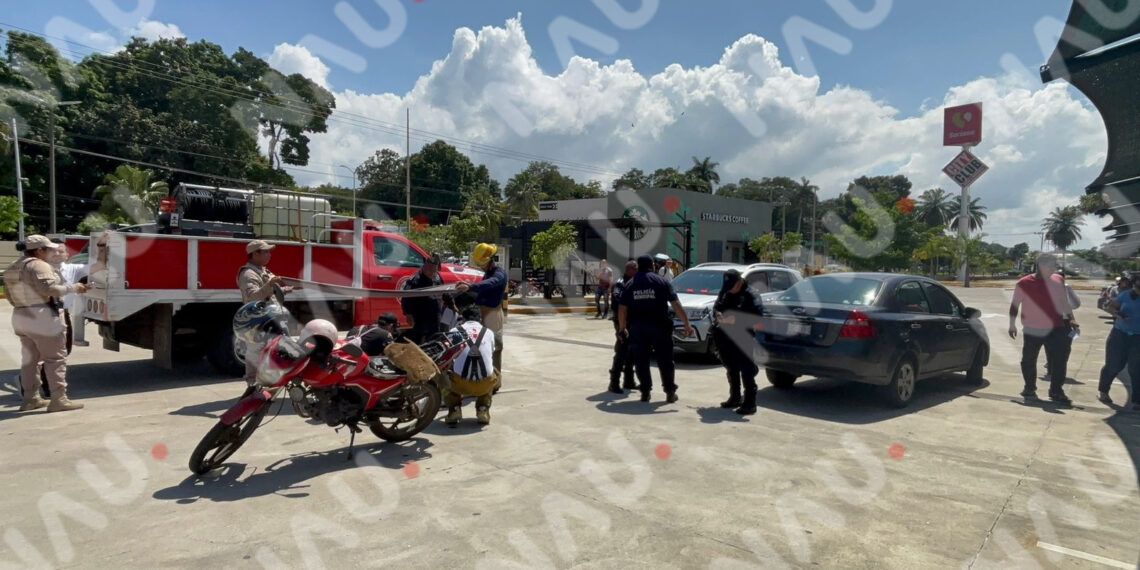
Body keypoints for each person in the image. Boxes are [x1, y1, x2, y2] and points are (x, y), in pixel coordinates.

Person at [4, 235, 88, 412]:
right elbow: (49, 289)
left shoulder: (14, 266)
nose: (52, 252)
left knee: (30, 361)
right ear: (39, 250)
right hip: (42, 315)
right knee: (55, 358)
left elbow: (10, 296)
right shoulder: (38, 264)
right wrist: (75, 288)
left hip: (20, 315)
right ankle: (59, 399)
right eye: (49, 249)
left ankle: (30, 398)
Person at [618, 255, 693, 403]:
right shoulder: (661, 281)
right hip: (660, 327)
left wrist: (622, 328)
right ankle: (670, 391)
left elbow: (622, 309)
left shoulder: (631, 284)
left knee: (641, 360)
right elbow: (675, 304)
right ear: (653, 265)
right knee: (665, 360)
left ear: (638, 267)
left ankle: (645, 392)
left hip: (638, 329)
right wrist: (686, 323)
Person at [1009, 254, 1078, 403]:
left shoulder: (1058, 279)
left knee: (1060, 360)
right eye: (1050, 266)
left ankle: (1056, 391)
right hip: (1033, 328)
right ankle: (1029, 387)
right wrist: (1012, 324)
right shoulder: (1024, 283)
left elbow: (1063, 301)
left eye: (1054, 266)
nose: (1054, 269)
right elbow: (1015, 304)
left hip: (1057, 327)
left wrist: (1071, 318)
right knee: (1028, 360)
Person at [237, 240, 292, 385]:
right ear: (255, 254)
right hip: (257, 323)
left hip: (271, 321)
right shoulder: (248, 274)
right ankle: (252, 390)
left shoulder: (262, 271)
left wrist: (291, 288)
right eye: (266, 252)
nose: (269, 255)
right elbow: (252, 297)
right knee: (255, 356)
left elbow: (272, 292)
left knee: (277, 355)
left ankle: (269, 387)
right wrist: (270, 284)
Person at [455, 243, 507, 392]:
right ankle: (483, 378)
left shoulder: (499, 274)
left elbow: (489, 284)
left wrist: (470, 287)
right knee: (481, 345)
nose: (482, 267)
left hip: (492, 314)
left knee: (495, 347)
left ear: (491, 260)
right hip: (482, 312)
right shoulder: (488, 273)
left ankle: (495, 383)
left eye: (483, 264)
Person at [712, 269, 764, 415]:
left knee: (747, 370)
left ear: (740, 281)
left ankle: (750, 403)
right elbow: (717, 306)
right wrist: (718, 314)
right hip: (724, 336)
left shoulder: (751, 295)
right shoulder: (726, 291)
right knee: (731, 367)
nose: (730, 290)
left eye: (733, 287)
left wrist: (736, 320)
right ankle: (735, 398)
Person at [443, 306, 498, 425]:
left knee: (443, 376)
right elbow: (491, 352)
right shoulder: (488, 332)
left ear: (463, 319)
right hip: (484, 385)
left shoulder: (454, 331)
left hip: (460, 385)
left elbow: (448, 355)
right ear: (480, 319)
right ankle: (483, 410)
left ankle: (454, 410)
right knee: (493, 373)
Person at [1098, 278, 1140, 410]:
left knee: (1136, 368)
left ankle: (1137, 400)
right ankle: (1103, 391)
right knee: (1114, 365)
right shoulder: (1126, 295)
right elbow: (1110, 307)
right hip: (1120, 334)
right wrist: (1117, 314)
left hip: (1138, 337)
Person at [401, 253, 453, 343]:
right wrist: (408, 314)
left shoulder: (437, 277)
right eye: (430, 270)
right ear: (425, 267)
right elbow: (406, 297)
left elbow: (444, 291)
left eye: (435, 270)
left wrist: (452, 304)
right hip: (421, 315)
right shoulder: (416, 280)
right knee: (419, 338)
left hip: (435, 315)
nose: (433, 273)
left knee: (435, 337)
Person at [607, 260, 638, 394]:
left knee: (631, 351)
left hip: (631, 321)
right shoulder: (620, 283)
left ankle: (629, 381)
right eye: (635, 269)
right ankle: (614, 383)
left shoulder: (633, 283)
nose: (637, 272)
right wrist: (621, 326)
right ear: (629, 270)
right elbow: (618, 304)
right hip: (621, 322)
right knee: (622, 350)